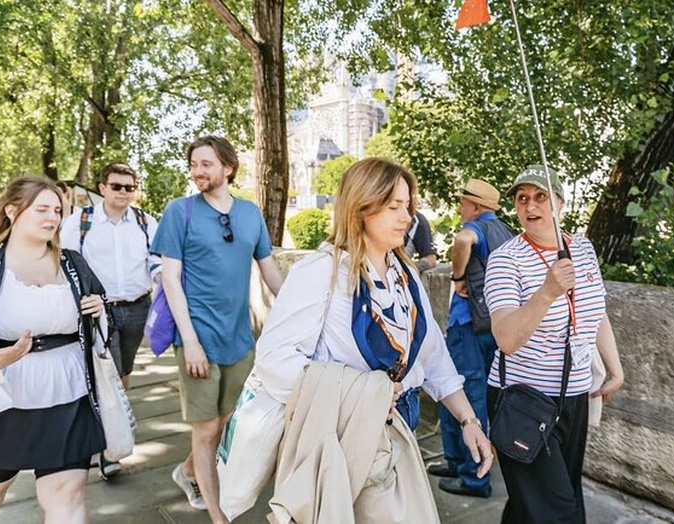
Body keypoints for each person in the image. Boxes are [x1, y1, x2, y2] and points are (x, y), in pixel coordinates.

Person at [255, 158, 494, 522]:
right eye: (394, 206)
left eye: (408, 206)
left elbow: (432, 356)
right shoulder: (322, 272)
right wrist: (361, 393)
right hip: (345, 435)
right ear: (361, 207)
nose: (407, 217)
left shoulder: (405, 275)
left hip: (402, 426)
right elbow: (273, 360)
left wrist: (469, 422)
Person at [0, 177, 108, 524]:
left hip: (69, 395)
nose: (52, 217)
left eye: (57, 210)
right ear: (12, 211)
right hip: (4, 399)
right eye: (41, 209)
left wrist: (99, 309)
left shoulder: (73, 263)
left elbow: (100, 319)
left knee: (67, 495)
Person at [150, 135, 284, 523]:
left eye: (205, 164)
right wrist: (189, 341)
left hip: (240, 341)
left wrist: (302, 310)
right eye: (193, 164)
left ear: (227, 167)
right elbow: (170, 280)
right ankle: (217, 515)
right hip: (197, 340)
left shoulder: (250, 213)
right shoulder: (180, 212)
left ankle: (188, 470)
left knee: (227, 424)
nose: (197, 171)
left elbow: (270, 270)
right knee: (206, 429)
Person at [484, 165, 625, 523]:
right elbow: (506, 338)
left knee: (538, 502)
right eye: (522, 199)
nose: (531, 206)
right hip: (523, 398)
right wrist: (546, 292)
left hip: (574, 395)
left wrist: (615, 368)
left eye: (541, 196)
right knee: (559, 512)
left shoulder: (583, 248)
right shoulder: (505, 259)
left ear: (559, 203)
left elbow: (595, 312)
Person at [60, 162, 160, 479]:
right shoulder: (80, 223)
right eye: (116, 186)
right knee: (108, 372)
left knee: (123, 373)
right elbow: (66, 265)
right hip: (98, 312)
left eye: (129, 187)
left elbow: (156, 261)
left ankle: (113, 422)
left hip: (137, 309)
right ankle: (107, 450)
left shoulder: (145, 222)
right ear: (102, 188)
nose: (123, 193)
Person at [427, 178, 513, 498]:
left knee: (466, 394)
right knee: (468, 393)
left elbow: (462, 240)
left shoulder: (478, 228)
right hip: (492, 326)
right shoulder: (505, 231)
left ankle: (474, 478)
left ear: (477, 207)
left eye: (464, 203)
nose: (460, 208)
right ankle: (458, 461)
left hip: (468, 325)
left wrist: (459, 277)